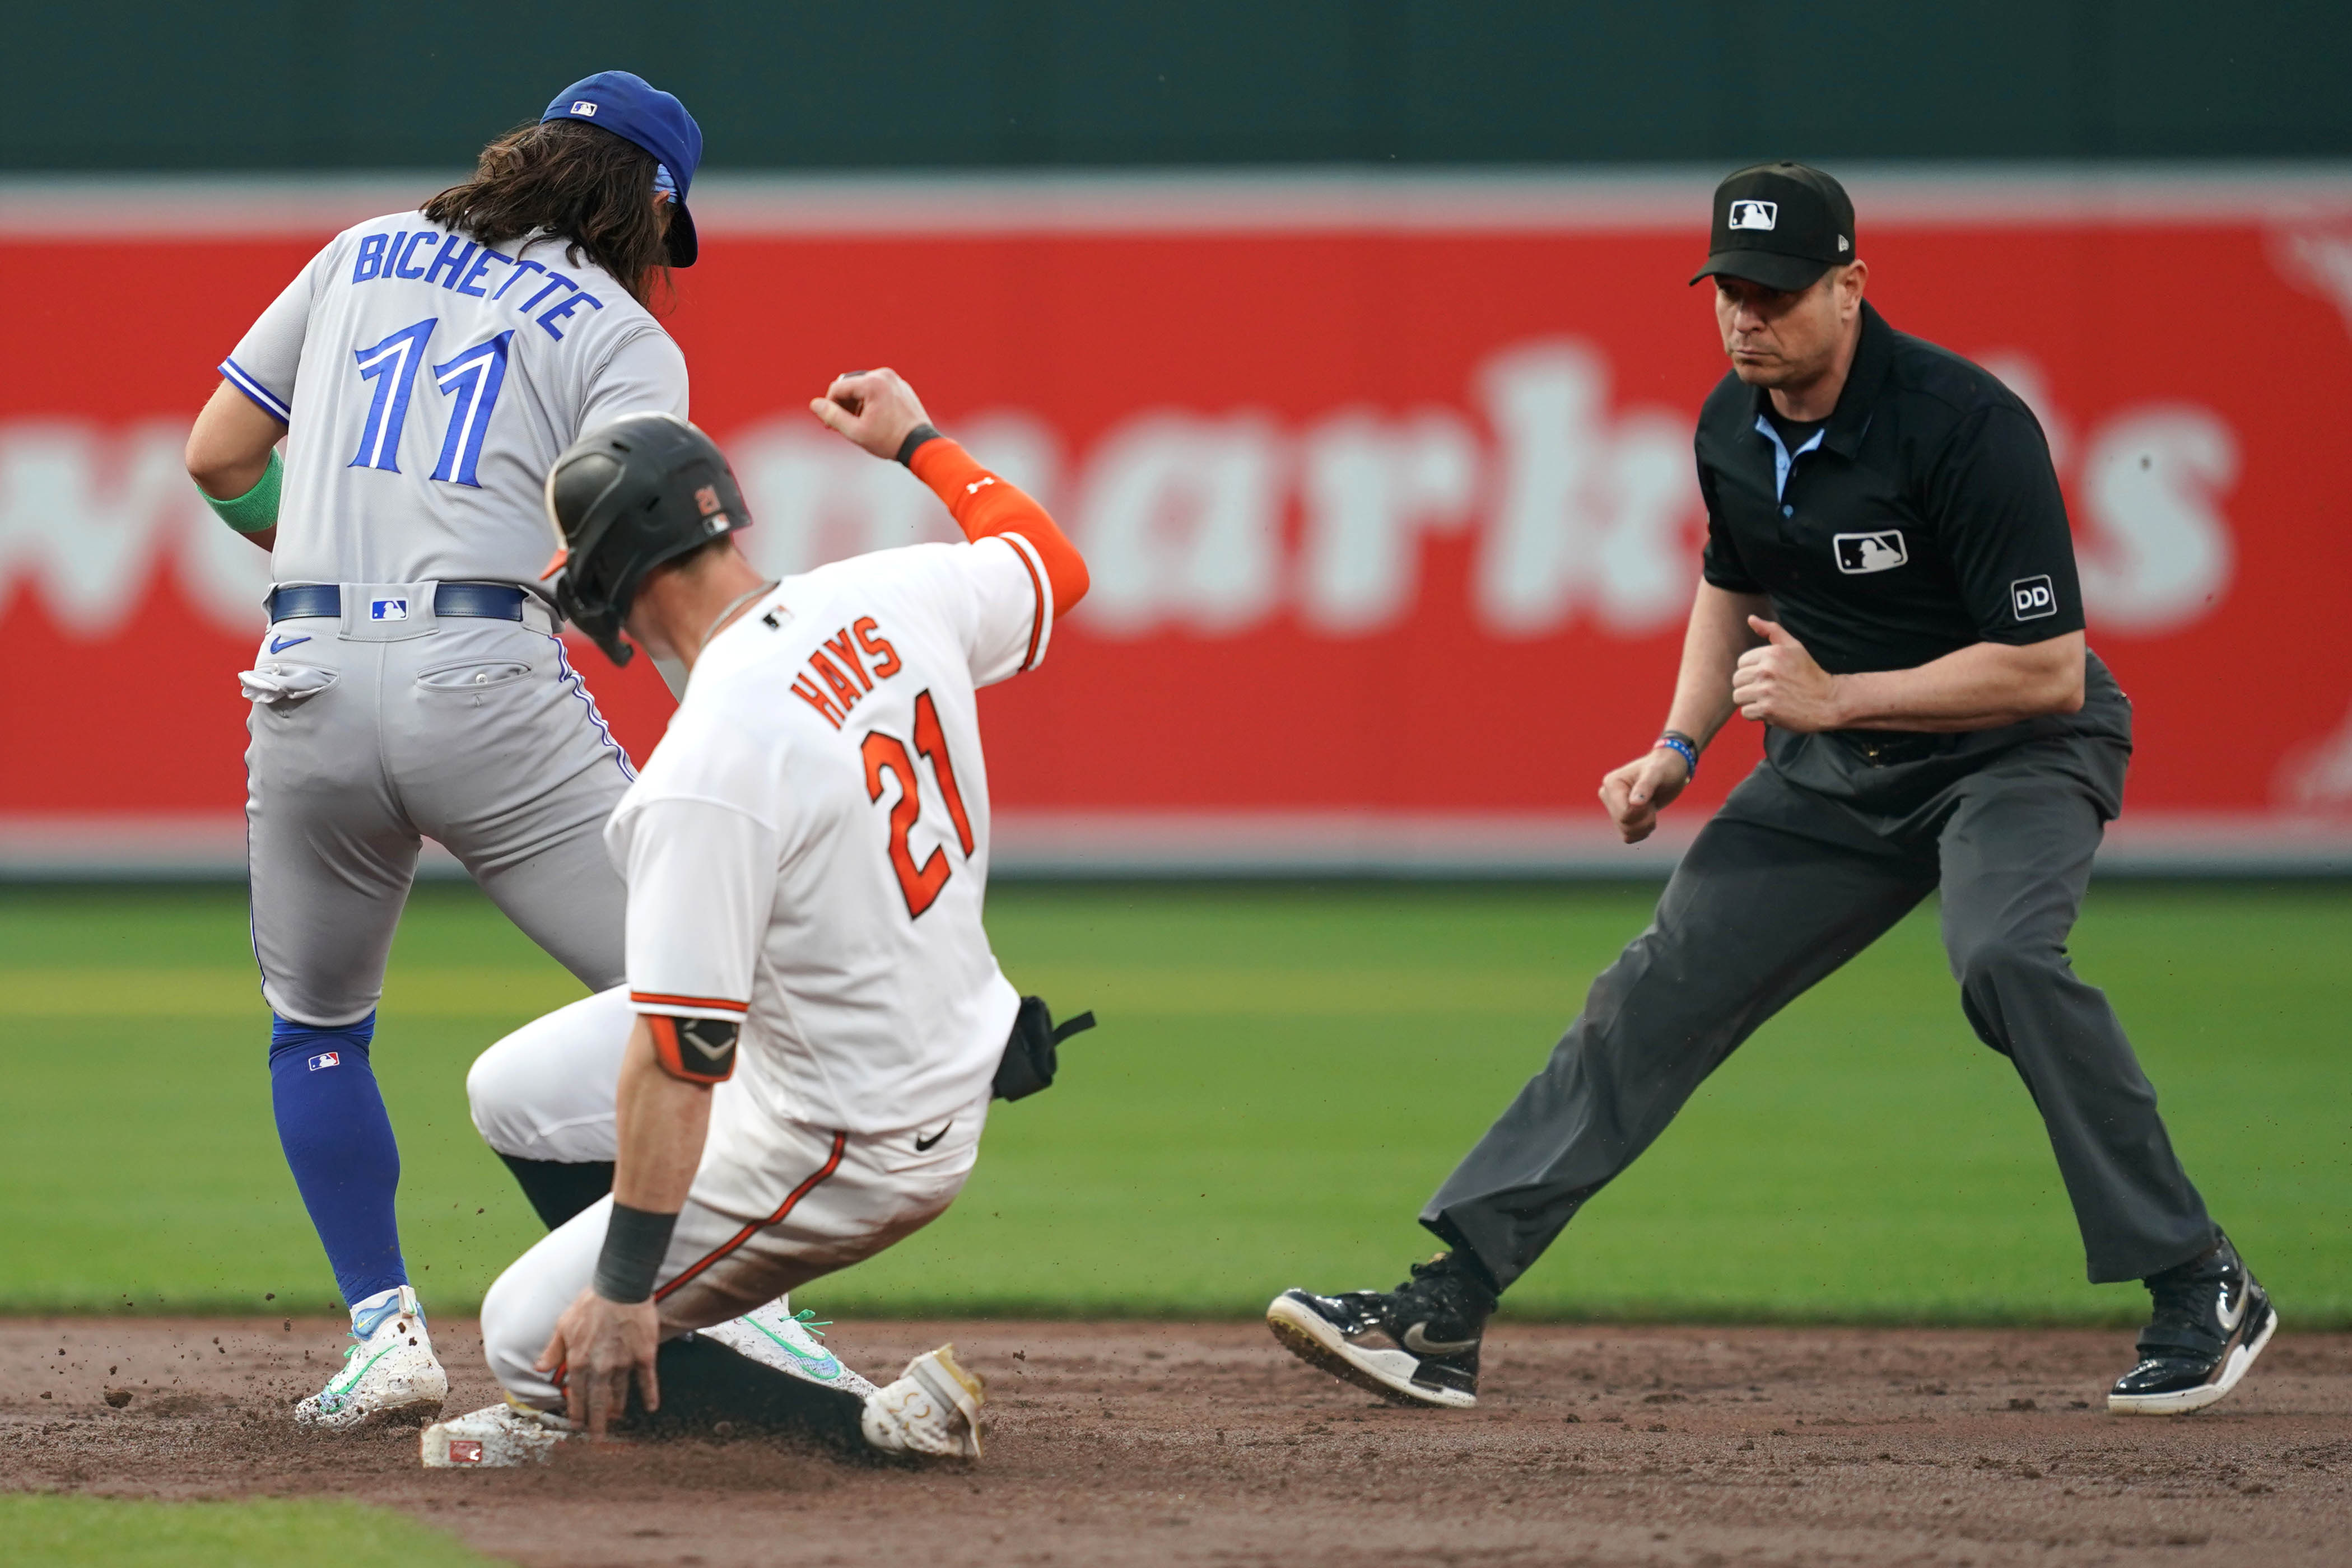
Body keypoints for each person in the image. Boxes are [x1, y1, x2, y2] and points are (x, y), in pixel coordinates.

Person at [1266, 162, 2274, 1419]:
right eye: (1731, 290)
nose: (1751, 316)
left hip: (2012, 750)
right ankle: (1445, 1305)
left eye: (1781, 292)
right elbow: (1728, 586)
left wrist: (1842, 700)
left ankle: (2197, 1278)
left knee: (2007, 957)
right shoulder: (1731, 426)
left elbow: (2048, 666)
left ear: (1850, 287)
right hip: (1834, 767)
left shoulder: (1964, 423)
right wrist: (1677, 750)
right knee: (1657, 988)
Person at [180, 69, 744, 1432]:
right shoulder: (621, 331)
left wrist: (323, 549)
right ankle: (753, 1310)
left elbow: (217, 454)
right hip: (483, 676)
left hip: (304, 670)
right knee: (703, 998)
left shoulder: (358, 246)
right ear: (647, 208)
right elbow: (640, 545)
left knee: (315, 1031)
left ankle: (384, 1334)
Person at [419, 369, 1091, 1467]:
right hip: (897, 1032)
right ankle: (684, 1336)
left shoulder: (706, 764)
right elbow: (1054, 566)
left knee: (520, 1338)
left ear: (608, 574)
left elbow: (683, 1053)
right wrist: (919, 440)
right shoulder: (886, 591)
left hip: (855, 1132)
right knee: (518, 1091)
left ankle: (876, 1431)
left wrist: (626, 1288)